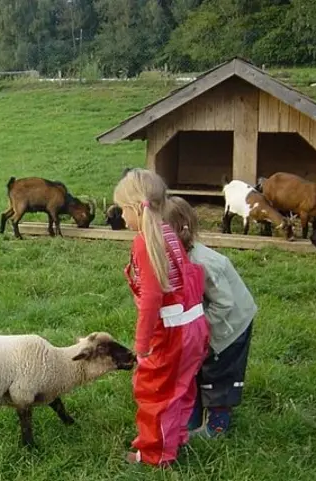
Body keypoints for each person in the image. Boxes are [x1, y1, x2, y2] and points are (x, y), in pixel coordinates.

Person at [113, 168, 209, 466]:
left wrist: (141, 344)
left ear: (133, 207)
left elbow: (152, 298)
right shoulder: (167, 231)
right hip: (194, 325)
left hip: (170, 333)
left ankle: (155, 455)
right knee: (180, 388)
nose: (121, 217)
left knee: (155, 393)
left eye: (121, 210)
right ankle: (176, 438)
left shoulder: (145, 241)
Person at [164, 195, 257, 438]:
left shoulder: (203, 263)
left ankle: (217, 425)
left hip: (231, 326)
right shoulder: (175, 258)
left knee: (219, 372)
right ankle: (191, 418)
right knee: (194, 369)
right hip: (206, 323)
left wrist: (197, 331)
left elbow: (224, 303)